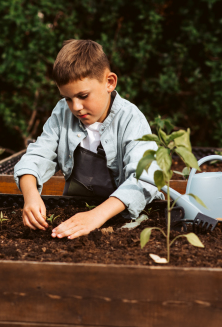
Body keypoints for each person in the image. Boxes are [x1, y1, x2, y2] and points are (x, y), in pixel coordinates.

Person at [13, 39, 163, 239]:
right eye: (68, 98)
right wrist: (31, 196)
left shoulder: (131, 119)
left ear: (109, 82)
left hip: (132, 217)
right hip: (80, 209)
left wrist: (96, 216)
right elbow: (38, 154)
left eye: (83, 95)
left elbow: (145, 178)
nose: (75, 107)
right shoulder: (62, 114)